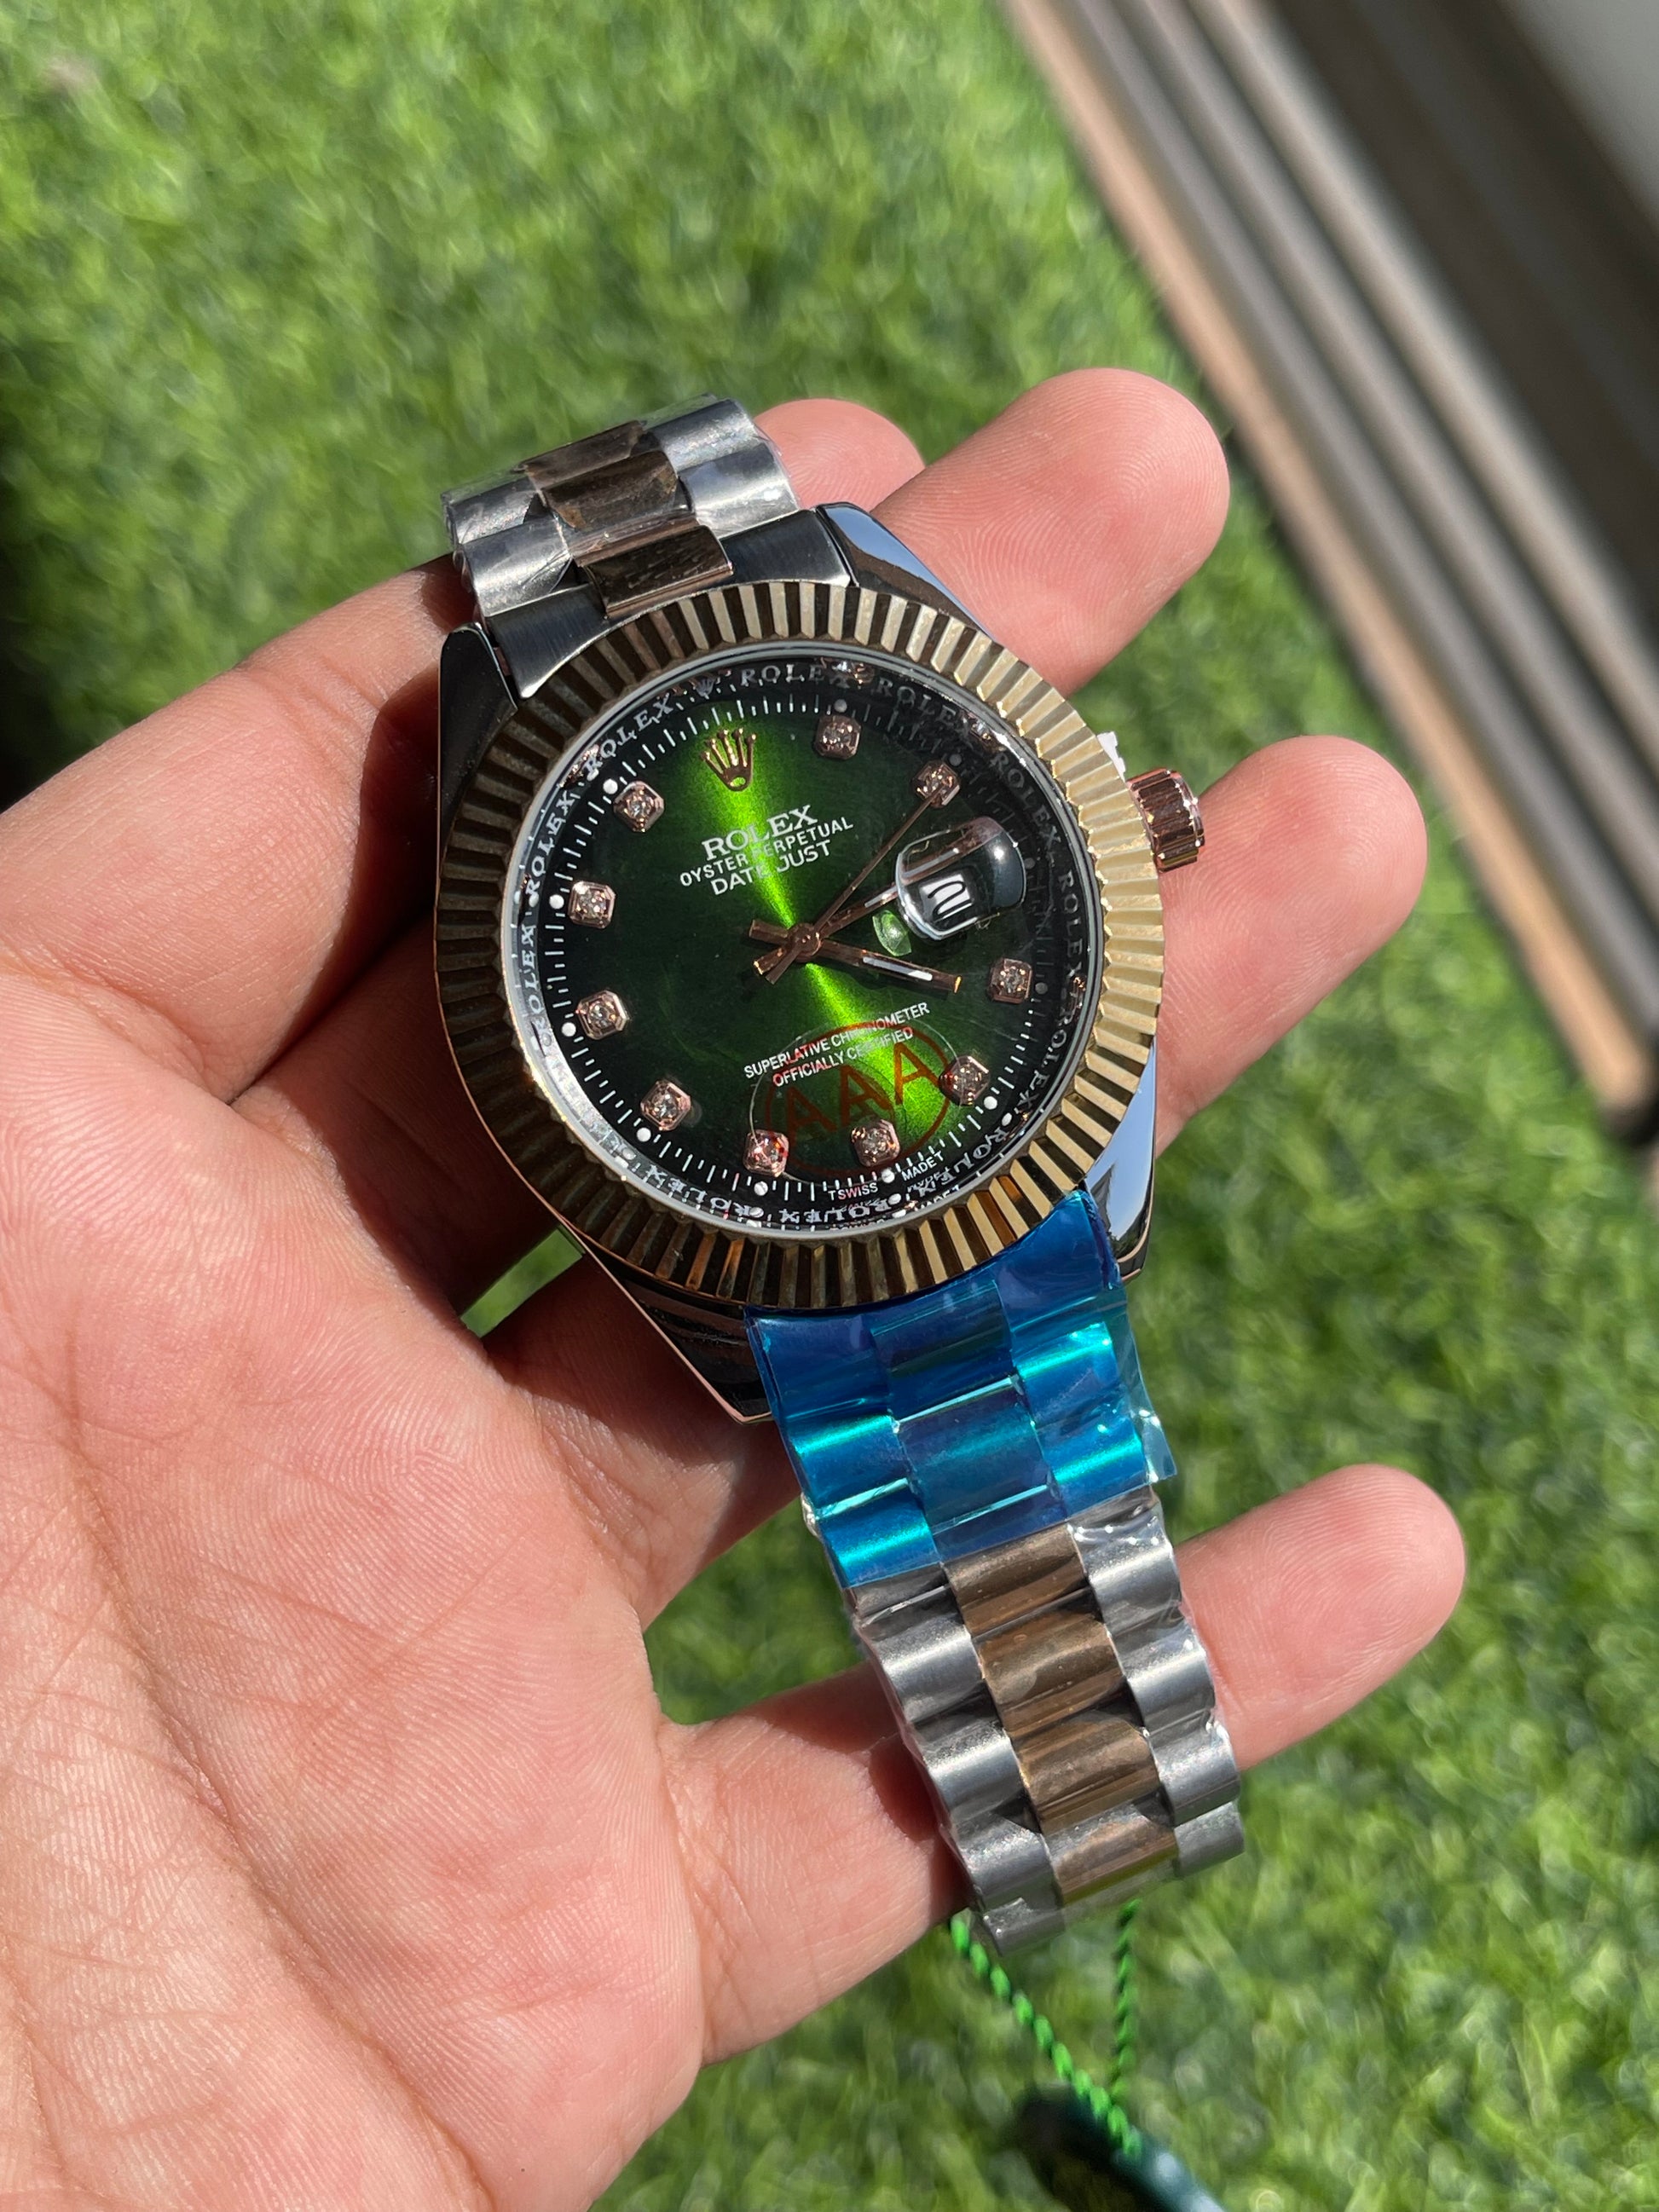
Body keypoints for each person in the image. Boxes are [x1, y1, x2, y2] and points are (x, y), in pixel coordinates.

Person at [0, 372, 1464, 2209]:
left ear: (1115, 822)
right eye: (769, 952)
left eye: (802, 941)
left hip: (951, 1165)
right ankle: (1078, 1791)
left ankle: (1086, 1789)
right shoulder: (574, 959)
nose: (788, 957)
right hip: (815, 1218)